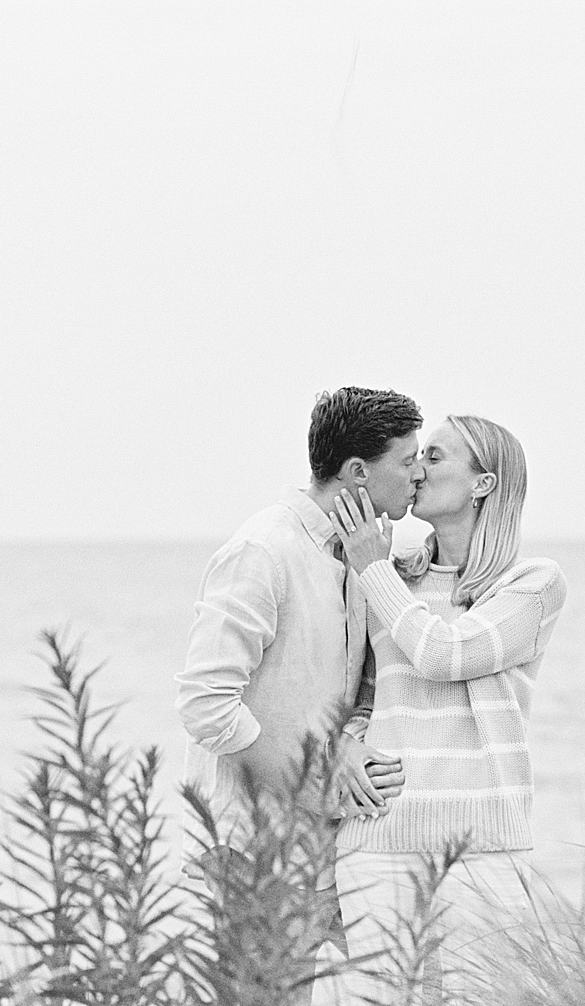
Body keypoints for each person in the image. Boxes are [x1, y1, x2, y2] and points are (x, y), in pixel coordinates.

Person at [175, 386, 423, 1002]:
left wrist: (346, 741)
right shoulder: (264, 551)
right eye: (408, 459)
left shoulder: (362, 556)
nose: (418, 473)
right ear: (358, 471)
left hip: (317, 843)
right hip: (250, 845)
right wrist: (316, 770)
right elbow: (206, 705)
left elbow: (332, 693)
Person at [326, 414, 568, 1002]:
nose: (415, 469)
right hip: (378, 835)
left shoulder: (530, 584)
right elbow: (366, 694)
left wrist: (372, 569)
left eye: (434, 457)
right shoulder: (389, 576)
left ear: (482, 484)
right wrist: (344, 746)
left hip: (481, 845)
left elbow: (443, 653)